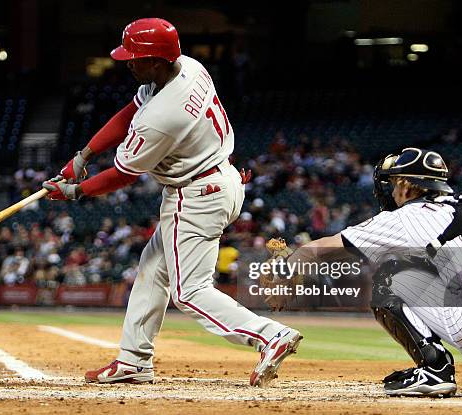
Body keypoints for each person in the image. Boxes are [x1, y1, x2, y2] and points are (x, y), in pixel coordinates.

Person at [42, 17, 302, 387]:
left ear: (157, 61)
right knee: (152, 270)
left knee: (190, 291)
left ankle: (268, 335)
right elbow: (128, 112)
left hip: (195, 196)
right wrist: (82, 157)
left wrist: (74, 192)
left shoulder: (164, 116)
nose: (128, 63)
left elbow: (123, 174)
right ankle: (133, 360)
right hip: (218, 180)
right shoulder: (188, 67)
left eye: (135, 57)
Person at [285, 148, 462, 397]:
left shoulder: (407, 216)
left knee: (390, 275)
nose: (391, 191)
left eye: (393, 183)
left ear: (406, 185)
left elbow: (319, 249)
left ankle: (436, 370)